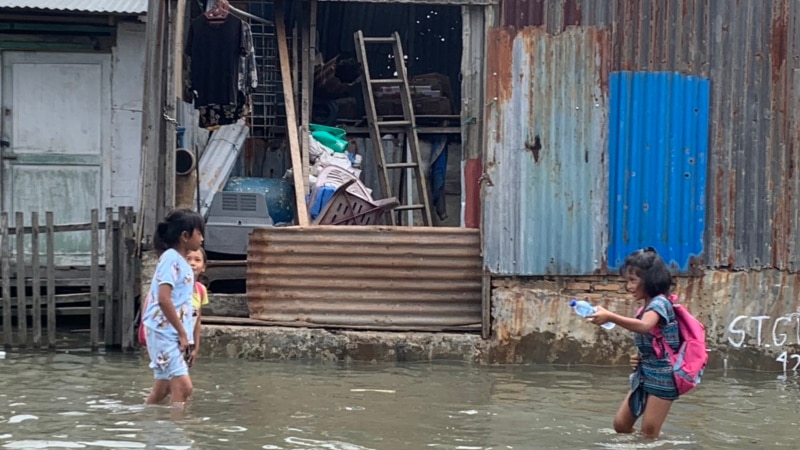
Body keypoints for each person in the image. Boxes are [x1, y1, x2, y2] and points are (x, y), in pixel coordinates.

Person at [586, 247, 679, 438]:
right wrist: (640, 356)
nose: (628, 286)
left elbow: (645, 326)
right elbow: (653, 337)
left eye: (633, 280)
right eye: (627, 281)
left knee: (649, 433)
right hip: (645, 373)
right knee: (621, 425)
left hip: (664, 377)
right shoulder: (646, 305)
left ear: (650, 279)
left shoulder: (660, 303)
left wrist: (610, 315)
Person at [141, 209, 205, 405]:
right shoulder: (170, 259)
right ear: (185, 236)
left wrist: (189, 338)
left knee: (163, 388)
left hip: (172, 332)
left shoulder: (181, 263)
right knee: (183, 387)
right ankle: (177, 431)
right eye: (199, 233)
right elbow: (164, 299)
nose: (202, 238)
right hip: (164, 332)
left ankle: (147, 421)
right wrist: (182, 334)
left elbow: (187, 307)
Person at [186, 247, 209, 367]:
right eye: (188, 259)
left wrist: (196, 347)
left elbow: (197, 320)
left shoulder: (200, 290)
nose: (192, 263)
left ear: (204, 267)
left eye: (197, 260)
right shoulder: (175, 288)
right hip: (171, 341)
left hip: (187, 343)